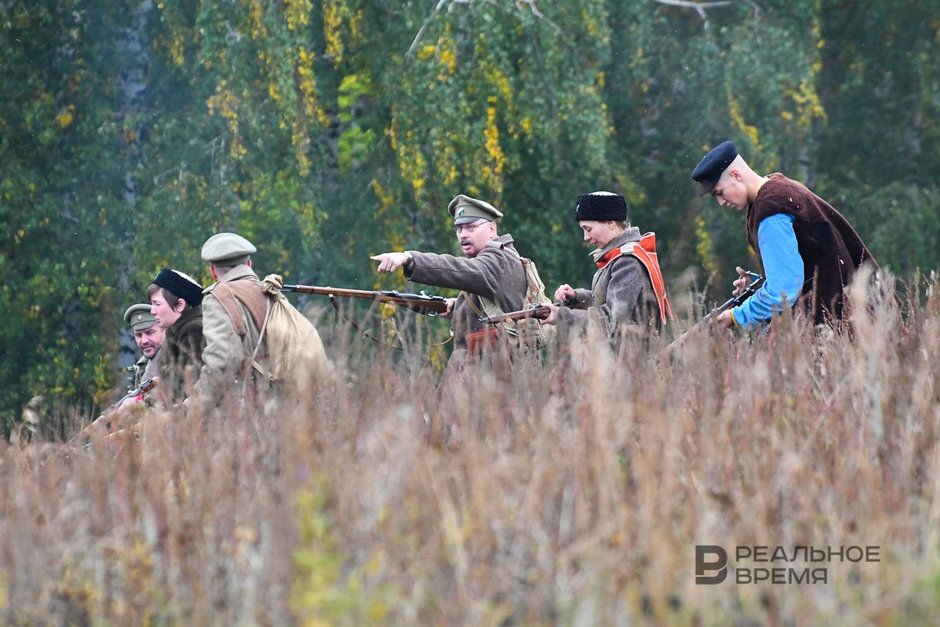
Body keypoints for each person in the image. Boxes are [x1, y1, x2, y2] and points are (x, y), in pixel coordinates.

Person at [691, 140, 880, 329]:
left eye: (720, 192)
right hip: (860, 322)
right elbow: (811, 265)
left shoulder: (771, 212)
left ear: (736, 175)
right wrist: (758, 285)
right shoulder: (781, 188)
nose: (721, 202)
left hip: (835, 333)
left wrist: (736, 316)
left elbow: (782, 291)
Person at [371, 194, 531, 368]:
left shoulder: (498, 259)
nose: (462, 235)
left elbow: (458, 268)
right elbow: (495, 305)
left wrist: (409, 258)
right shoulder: (498, 258)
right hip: (486, 375)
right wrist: (461, 308)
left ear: (492, 229)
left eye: (470, 227)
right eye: (459, 229)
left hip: (489, 381)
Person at [194, 232, 333, 412]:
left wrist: (191, 412)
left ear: (212, 272)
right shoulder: (271, 293)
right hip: (287, 411)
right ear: (249, 264)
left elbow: (222, 362)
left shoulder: (217, 299)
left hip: (245, 416)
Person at [541, 191, 670, 344]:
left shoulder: (627, 261)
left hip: (631, 362)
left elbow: (610, 319)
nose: (586, 238)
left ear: (610, 222)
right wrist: (576, 297)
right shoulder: (616, 256)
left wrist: (560, 315)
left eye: (588, 229)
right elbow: (605, 300)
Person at [148, 268, 205, 405]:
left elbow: (187, 388)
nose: (152, 311)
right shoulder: (175, 331)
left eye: (157, 304)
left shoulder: (193, 331)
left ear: (180, 305)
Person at [123, 303, 164, 389]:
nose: (144, 341)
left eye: (150, 332)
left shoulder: (174, 358)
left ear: (164, 330)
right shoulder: (143, 365)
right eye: (138, 335)